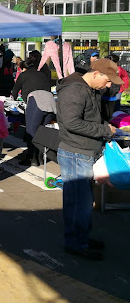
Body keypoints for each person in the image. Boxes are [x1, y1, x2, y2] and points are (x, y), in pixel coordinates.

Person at [56, 58, 121, 260]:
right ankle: (75, 243)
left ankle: (81, 237)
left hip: (83, 152)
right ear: (95, 74)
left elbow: (89, 118)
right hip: (76, 152)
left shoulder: (88, 89)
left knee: (84, 201)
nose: (108, 86)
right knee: (78, 203)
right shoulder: (75, 91)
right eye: (108, 81)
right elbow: (72, 123)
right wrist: (104, 129)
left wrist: (107, 128)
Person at [101, 54, 129, 119]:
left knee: (116, 104)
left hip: (117, 90)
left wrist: (125, 86)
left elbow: (125, 76)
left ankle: (116, 117)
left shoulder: (119, 69)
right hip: (107, 90)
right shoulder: (105, 69)